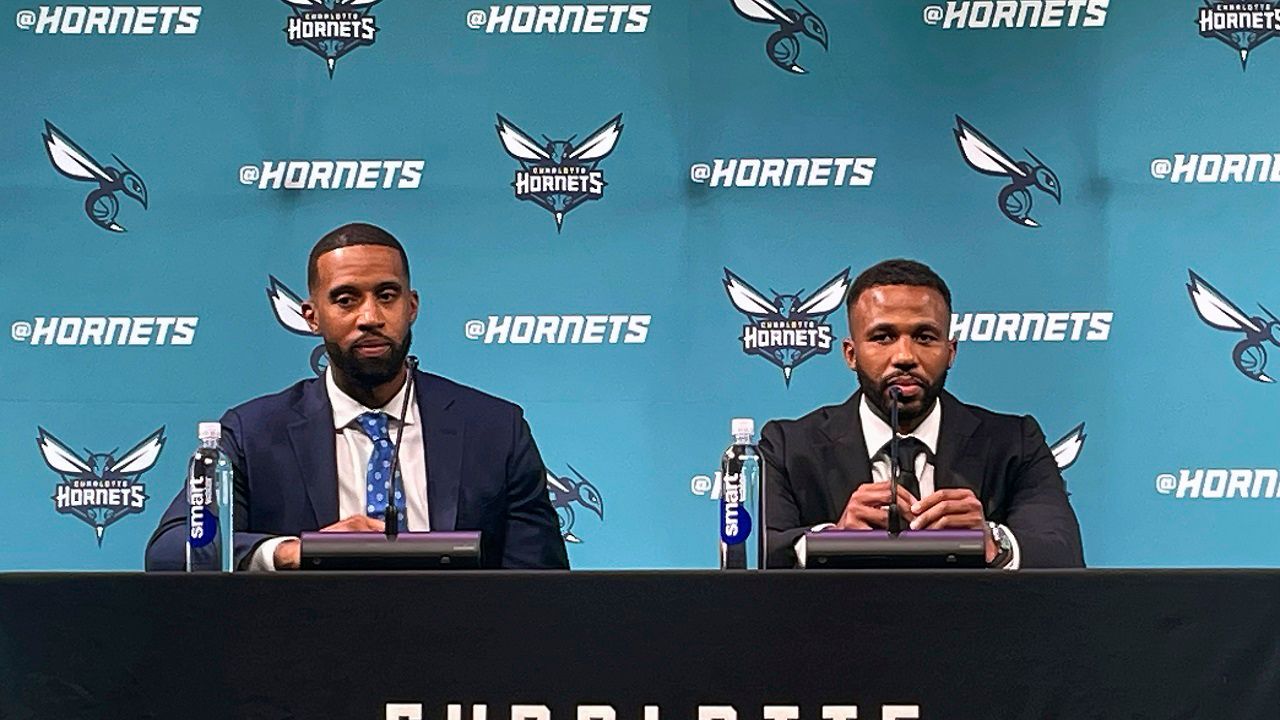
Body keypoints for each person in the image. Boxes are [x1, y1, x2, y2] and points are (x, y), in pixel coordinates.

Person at [145, 222, 568, 570]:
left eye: (387, 296)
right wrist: (291, 551)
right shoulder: (253, 432)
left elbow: (541, 580)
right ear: (312, 316)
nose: (370, 317)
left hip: (460, 655)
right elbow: (171, 551)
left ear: (412, 306)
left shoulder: (494, 428)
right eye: (346, 299)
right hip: (306, 658)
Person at [761, 258, 1084, 569]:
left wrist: (993, 542)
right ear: (851, 354)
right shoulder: (789, 448)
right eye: (882, 337)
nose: (904, 356)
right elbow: (756, 557)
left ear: (950, 351)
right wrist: (831, 541)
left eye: (924, 337)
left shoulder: (1014, 443)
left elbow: (1062, 552)